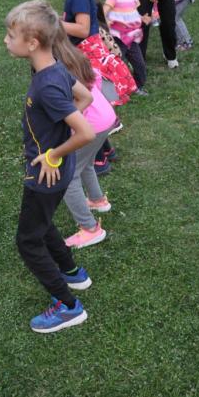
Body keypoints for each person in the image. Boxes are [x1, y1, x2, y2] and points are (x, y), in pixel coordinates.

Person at [3, 0, 96, 333]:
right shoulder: (53, 67)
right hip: (59, 170)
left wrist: (53, 153)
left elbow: (85, 132)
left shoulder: (46, 84)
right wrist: (60, 129)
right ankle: (72, 273)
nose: (5, 40)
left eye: (10, 35)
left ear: (32, 43)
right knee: (41, 224)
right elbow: (84, 97)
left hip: (46, 172)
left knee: (28, 240)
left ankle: (69, 307)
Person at [50, 29, 115, 249]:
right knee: (85, 162)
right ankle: (97, 200)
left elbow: (67, 104)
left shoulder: (56, 69)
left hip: (91, 124)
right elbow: (96, 80)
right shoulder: (76, 55)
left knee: (67, 176)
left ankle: (90, 229)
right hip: (105, 117)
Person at [58, 0, 137, 105]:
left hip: (88, 51)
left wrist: (56, 24)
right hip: (85, 49)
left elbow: (83, 29)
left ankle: (104, 111)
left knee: (97, 91)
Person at [103, 0, 151, 95]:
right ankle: (108, 91)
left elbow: (131, 13)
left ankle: (137, 86)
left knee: (140, 64)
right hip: (117, 38)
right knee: (113, 64)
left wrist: (142, 18)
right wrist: (106, 20)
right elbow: (103, 11)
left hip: (131, 38)